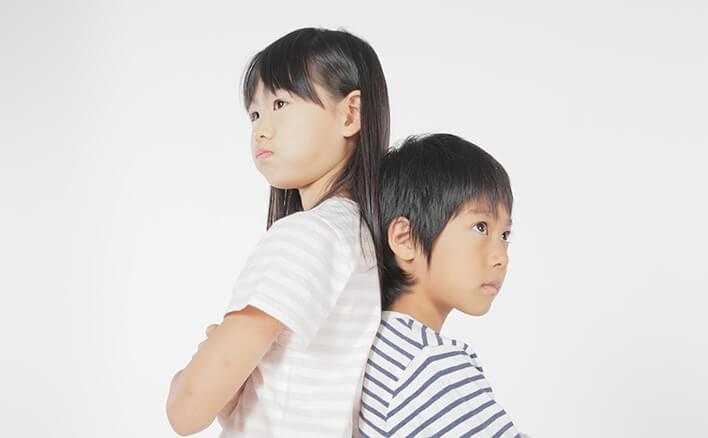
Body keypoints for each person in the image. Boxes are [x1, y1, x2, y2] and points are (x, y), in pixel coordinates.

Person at [166, 27, 390, 437]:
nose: (261, 130)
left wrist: (187, 377)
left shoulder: (307, 236)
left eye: (280, 104)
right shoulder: (361, 238)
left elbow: (188, 410)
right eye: (254, 114)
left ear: (350, 114)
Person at [358, 133, 526, 437]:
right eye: (480, 227)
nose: (501, 257)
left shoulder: (371, 344)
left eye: (505, 235)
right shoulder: (429, 365)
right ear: (405, 239)